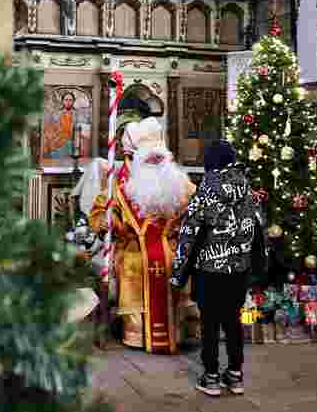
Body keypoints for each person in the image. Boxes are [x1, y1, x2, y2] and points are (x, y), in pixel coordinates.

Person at [88, 99, 197, 354]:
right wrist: (112, 224)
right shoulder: (119, 188)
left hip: (172, 254)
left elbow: (197, 215)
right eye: (151, 160)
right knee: (133, 269)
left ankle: (177, 332)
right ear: (134, 159)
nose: (157, 163)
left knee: (175, 272)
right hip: (134, 254)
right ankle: (138, 334)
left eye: (160, 158)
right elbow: (97, 216)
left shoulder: (182, 184)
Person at [170, 141, 268, 395]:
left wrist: (179, 274)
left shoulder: (205, 193)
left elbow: (189, 235)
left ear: (210, 164)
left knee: (210, 323)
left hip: (209, 270)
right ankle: (235, 374)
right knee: (233, 319)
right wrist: (257, 267)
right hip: (238, 270)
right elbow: (259, 233)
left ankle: (211, 376)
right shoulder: (248, 193)